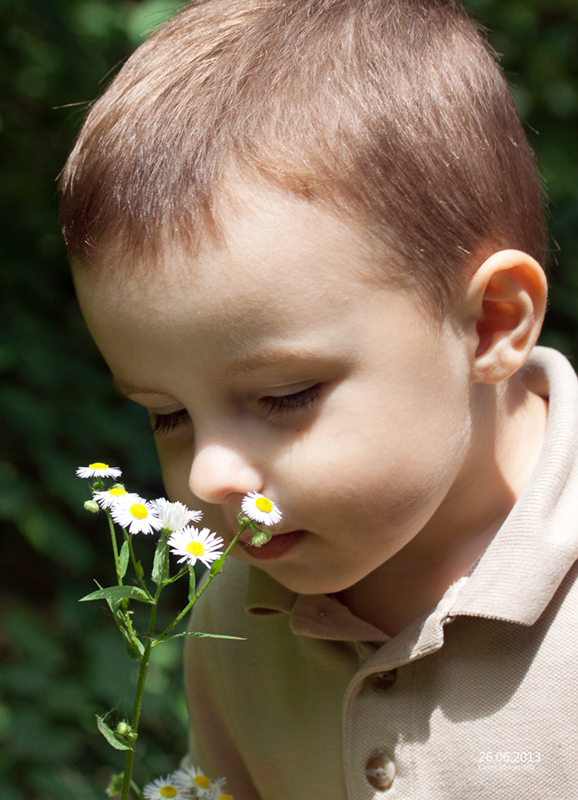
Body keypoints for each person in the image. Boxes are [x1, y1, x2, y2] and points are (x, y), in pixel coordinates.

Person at [59, 0, 578, 797]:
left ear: (488, 325)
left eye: (285, 395)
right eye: (167, 414)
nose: (208, 479)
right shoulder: (238, 613)